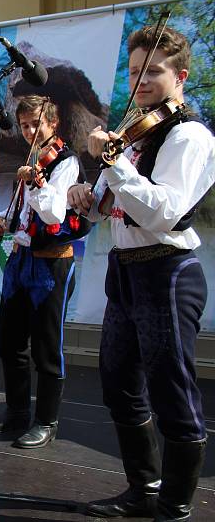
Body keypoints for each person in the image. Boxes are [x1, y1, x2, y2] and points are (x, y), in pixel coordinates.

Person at [68, 25, 214, 520]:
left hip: (168, 271)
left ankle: (174, 504)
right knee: (117, 382)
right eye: (134, 72)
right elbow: (102, 211)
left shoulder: (189, 135)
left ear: (180, 77)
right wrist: (85, 197)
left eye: (152, 71)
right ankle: (143, 487)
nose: (141, 81)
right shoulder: (133, 137)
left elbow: (165, 211)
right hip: (126, 270)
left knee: (171, 386)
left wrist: (113, 160)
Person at [0, 94, 86, 449]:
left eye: (36, 124)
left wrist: (37, 182)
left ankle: (46, 421)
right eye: (26, 125)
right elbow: (25, 216)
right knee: (10, 343)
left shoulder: (67, 163)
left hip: (51, 263)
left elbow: (54, 216)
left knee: (46, 347)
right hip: (21, 261)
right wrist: (6, 219)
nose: (31, 131)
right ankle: (16, 412)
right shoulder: (33, 161)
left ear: (53, 123)